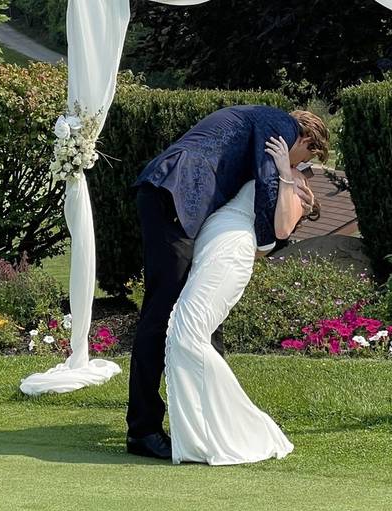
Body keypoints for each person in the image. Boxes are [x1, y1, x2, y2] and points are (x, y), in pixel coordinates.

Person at [126, 105, 330, 460]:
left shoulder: (271, 140)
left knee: (202, 324)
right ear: (307, 139)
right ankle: (143, 429)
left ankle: (209, 422)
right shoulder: (279, 126)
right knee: (161, 316)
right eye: (307, 156)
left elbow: (273, 202)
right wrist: (265, 240)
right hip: (176, 194)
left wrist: (296, 201)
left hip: (189, 211)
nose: (301, 165)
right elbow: (268, 189)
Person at [166, 137, 317, 464]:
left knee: (185, 334)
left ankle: (241, 429)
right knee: (182, 334)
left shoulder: (296, 180)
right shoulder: (258, 166)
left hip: (232, 248)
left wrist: (285, 174)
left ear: (305, 146)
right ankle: (202, 435)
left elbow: (281, 229)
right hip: (211, 241)